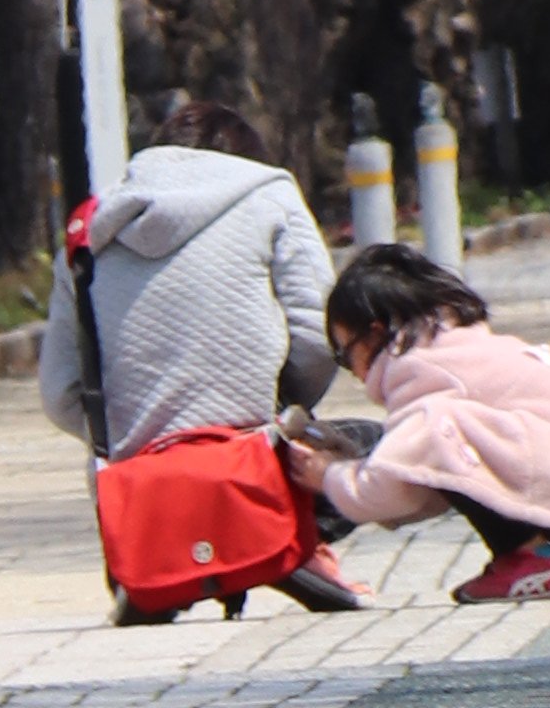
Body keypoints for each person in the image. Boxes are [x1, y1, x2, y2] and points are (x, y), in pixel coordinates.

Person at [35, 139, 363, 610]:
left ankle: (167, 556)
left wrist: (125, 436)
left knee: (129, 469)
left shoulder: (87, 231)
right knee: (379, 442)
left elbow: (60, 393)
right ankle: (277, 542)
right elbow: (316, 340)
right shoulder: (270, 192)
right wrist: (282, 418)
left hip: (144, 494)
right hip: (255, 466)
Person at [293, 247, 550, 607]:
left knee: (439, 430)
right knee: (435, 439)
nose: (354, 374)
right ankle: (529, 557)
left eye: (344, 355)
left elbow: (396, 491)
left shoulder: (425, 373)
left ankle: (532, 558)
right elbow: (424, 486)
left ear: (373, 335)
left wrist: (330, 477)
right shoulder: (456, 349)